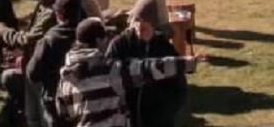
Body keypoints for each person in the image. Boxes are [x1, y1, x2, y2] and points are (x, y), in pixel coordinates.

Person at [55, 18, 201, 127]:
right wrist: (186, 63)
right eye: (105, 37)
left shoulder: (65, 78)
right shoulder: (111, 71)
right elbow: (150, 68)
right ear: (98, 40)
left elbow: (63, 116)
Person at [107, 0, 188, 127]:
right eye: (137, 20)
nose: (139, 27)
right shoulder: (120, 45)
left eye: (145, 22)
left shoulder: (164, 47)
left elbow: (178, 85)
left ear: (154, 24)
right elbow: (108, 76)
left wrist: (167, 112)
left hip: (158, 119)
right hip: (126, 117)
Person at [0, 0, 59, 127]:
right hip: (31, 68)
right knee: (32, 117)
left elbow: (29, 40)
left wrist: (4, 32)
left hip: (43, 73)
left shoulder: (52, 11)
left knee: (43, 118)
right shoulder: (42, 5)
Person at [25, 0, 84, 126]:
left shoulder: (49, 40)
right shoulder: (84, 35)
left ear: (58, 15)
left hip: (55, 99)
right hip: (82, 97)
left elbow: (32, 73)